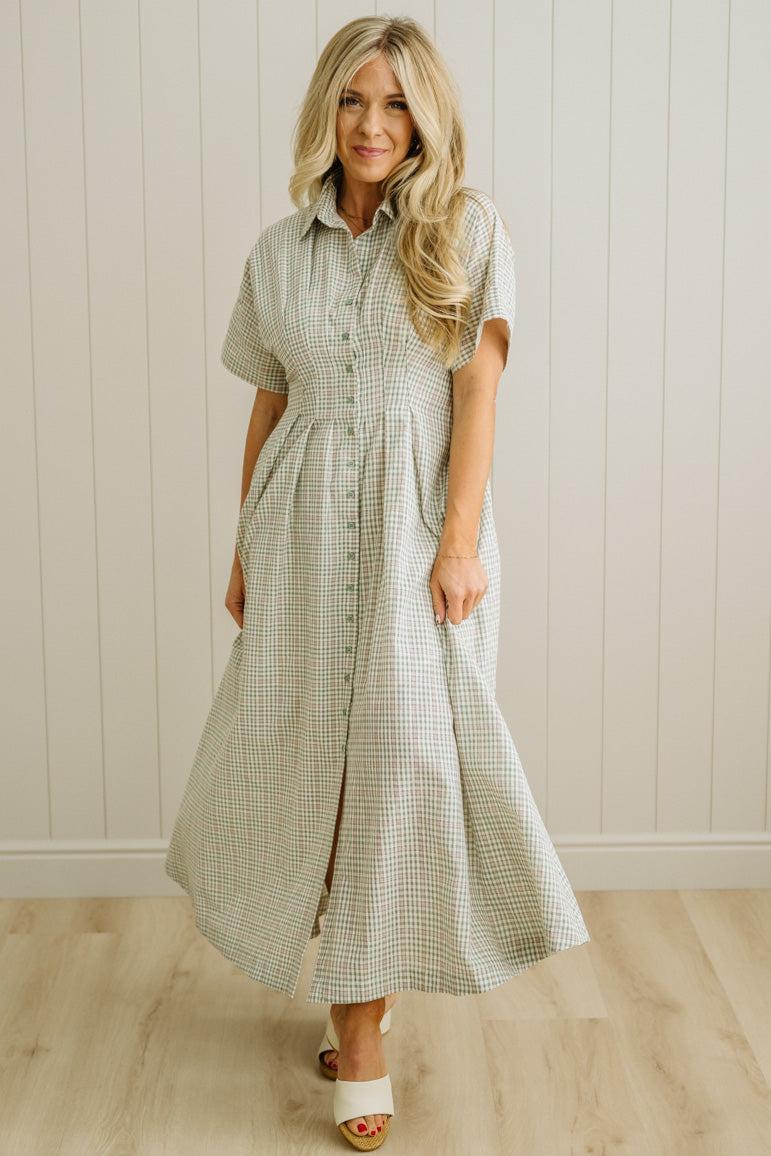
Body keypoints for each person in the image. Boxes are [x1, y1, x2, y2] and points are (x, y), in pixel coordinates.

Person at [164, 15, 590, 1151]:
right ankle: (361, 1009)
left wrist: (459, 544)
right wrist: (243, 543)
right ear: (327, 113)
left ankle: (359, 1020)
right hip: (299, 530)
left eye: (396, 103)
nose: (372, 124)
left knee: (400, 755)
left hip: (416, 534)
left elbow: (477, 400)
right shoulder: (276, 253)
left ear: (426, 118)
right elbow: (268, 402)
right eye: (353, 101)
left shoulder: (466, 233)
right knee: (318, 761)